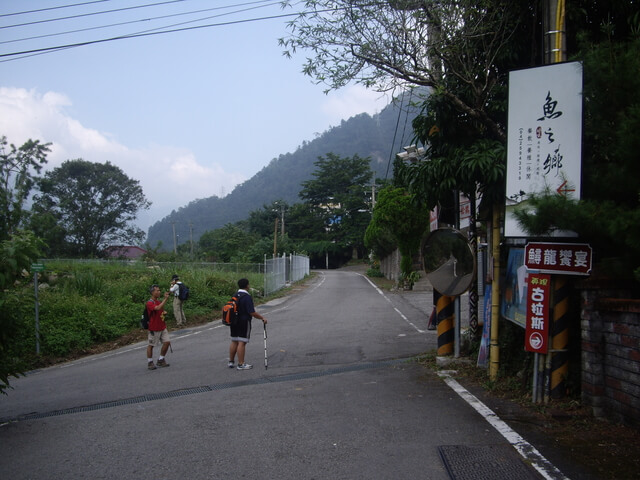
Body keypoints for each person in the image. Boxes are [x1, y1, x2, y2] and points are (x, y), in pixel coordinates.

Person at [228, 278, 267, 370]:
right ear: (247, 286)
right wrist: (262, 318)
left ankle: (231, 361)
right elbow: (252, 312)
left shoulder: (235, 295)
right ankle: (241, 364)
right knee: (242, 342)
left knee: (234, 340)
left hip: (234, 321)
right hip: (244, 321)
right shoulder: (246, 297)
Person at [146, 284, 172, 370]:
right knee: (151, 345)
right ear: (152, 292)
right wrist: (165, 299)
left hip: (162, 326)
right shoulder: (149, 303)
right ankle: (150, 362)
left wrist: (164, 312)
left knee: (167, 342)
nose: (159, 292)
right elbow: (157, 308)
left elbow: (161, 309)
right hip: (154, 328)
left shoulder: (158, 301)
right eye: (157, 290)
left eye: (159, 290)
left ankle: (161, 359)